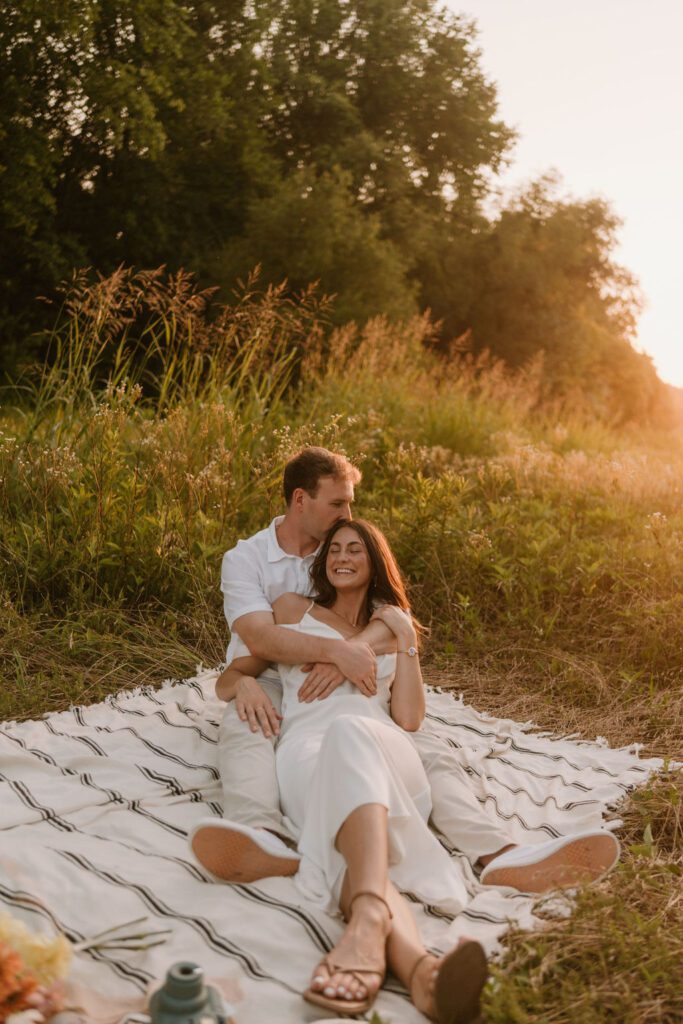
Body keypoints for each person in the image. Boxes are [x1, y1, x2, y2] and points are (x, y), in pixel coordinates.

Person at [190, 447, 620, 896]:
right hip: (272, 672)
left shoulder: (351, 546)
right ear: (301, 500)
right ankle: (261, 835)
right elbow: (262, 640)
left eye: (350, 505)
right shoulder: (247, 559)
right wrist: (262, 676)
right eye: (338, 503)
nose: (348, 514)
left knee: (428, 747)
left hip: (357, 680)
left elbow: (399, 625)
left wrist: (352, 651)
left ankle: (497, 853)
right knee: (248, 725)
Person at [207, 518, 490, 1021]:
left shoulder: (393, 622)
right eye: (334, 548)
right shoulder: (293, 610)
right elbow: (233, 675)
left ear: (373, 561)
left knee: (351, 732)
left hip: (380, 748)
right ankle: (422, 972)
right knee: (341, 846)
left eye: (354, 549)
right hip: (305, 750)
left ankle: (365, 931)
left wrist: (406, 647)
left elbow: (408, 718)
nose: (341, 556)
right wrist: (245, 686)